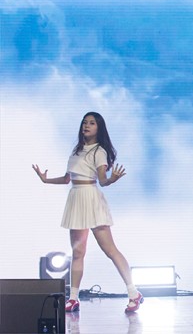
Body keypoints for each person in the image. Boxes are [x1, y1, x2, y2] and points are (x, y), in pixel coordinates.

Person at [32, 112, 143, 313]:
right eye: (85, 122)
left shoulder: (99, 151)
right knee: (78, 253)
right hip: (76, 199)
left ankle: (133, 292)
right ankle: (73, 298)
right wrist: (46, 180)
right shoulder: (76, 151)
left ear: (99, 128)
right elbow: (67, 179)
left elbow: (103, 180)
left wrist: (112, 179)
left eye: (91, 123)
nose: (87, 125)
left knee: (110, 250)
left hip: (91, 199)